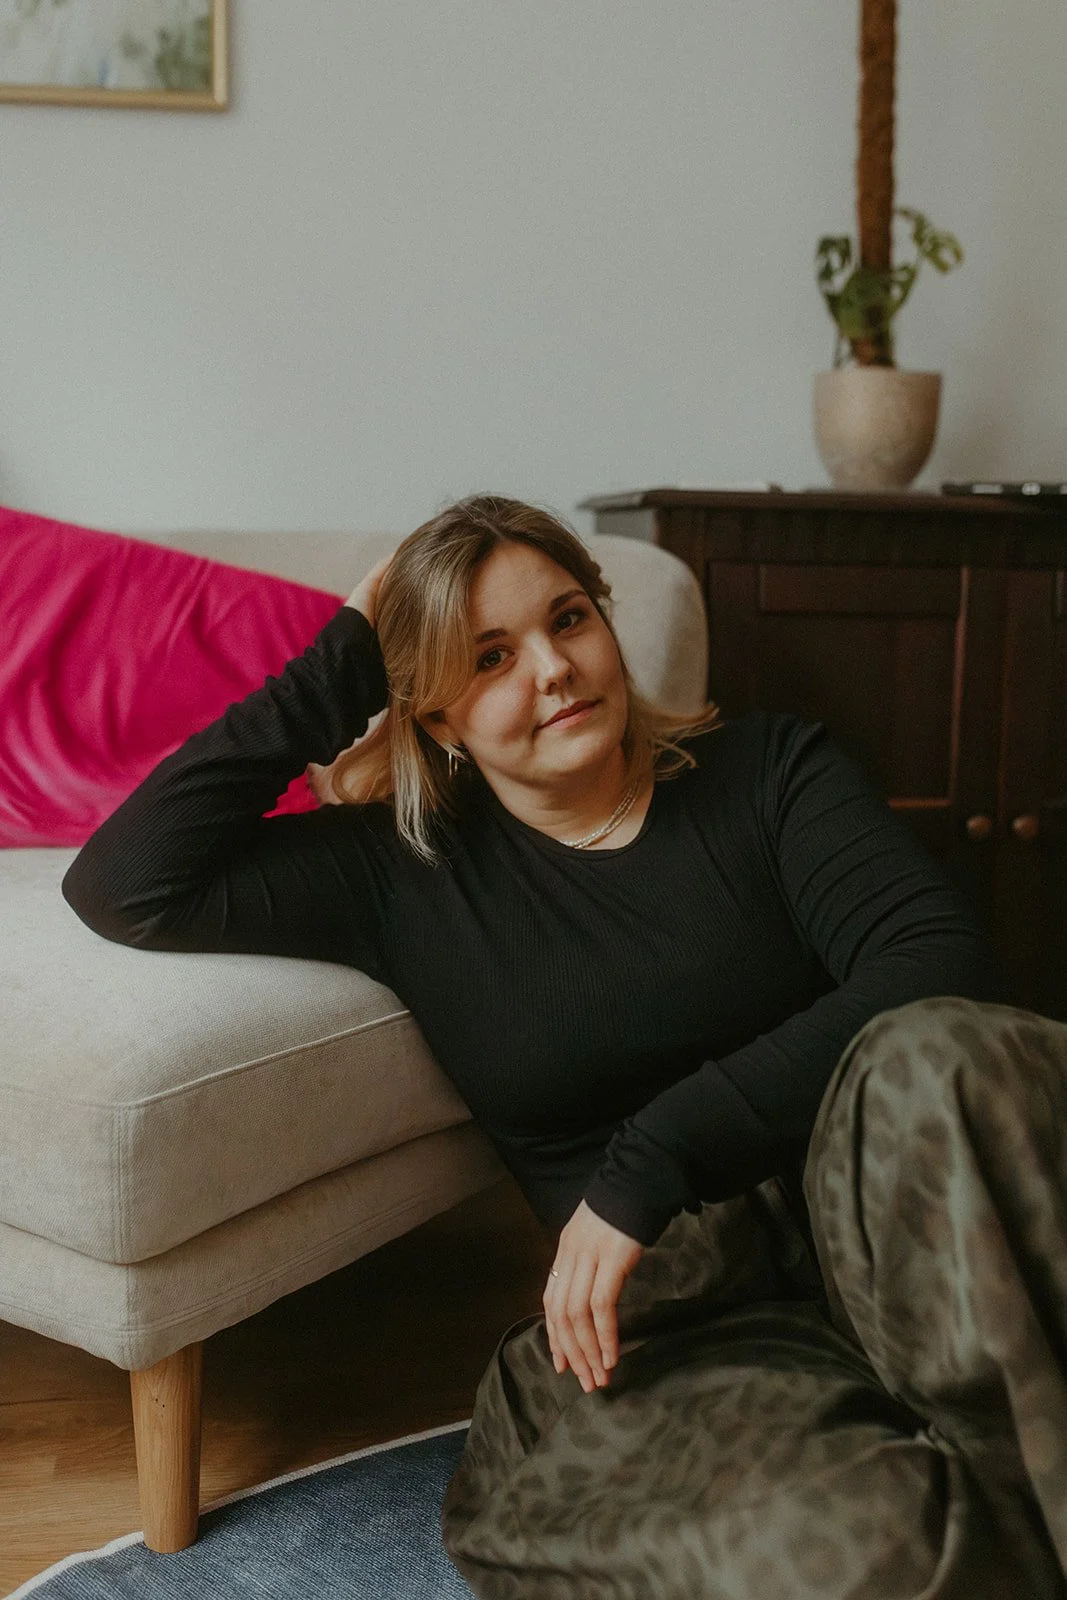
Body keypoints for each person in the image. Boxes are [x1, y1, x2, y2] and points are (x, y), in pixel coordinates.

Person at [61, 494, 1067, 1597]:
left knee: (939, 1053)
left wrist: (656, 1153)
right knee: (871, 1546)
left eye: (568, 617)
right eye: (489, 656)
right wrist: (340, 665)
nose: (553, 668)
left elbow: (939, 965)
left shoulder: (769, 771)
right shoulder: (400, 872)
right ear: (437, 714)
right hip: (679, 1316)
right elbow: (125, 883)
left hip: (904, 1232)